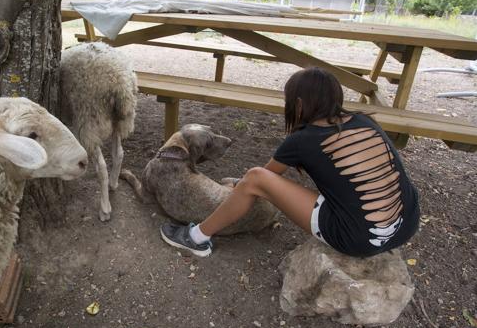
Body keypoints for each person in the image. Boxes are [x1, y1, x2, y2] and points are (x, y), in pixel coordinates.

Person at [160, 67, 420, 258]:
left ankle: (197, 238)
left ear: (298, 104)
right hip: (406, 224)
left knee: (254, 178)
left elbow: (263, 179)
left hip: (358, 239)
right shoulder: (366, 121)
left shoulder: (303, 139)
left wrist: (237, 186)